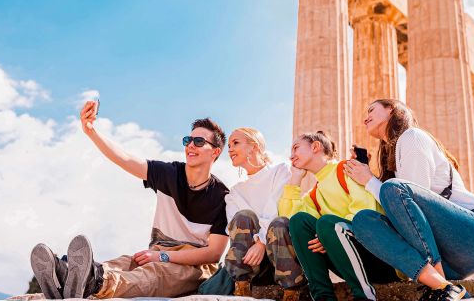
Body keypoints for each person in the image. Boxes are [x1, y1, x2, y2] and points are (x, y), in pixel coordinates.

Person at [30, 100, 229, 299]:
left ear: (215, 152)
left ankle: (93, 282)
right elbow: (124, 158)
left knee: (151, 275)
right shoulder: (168, 173)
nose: (191, 146)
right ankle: (67, 275)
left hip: (193, 268)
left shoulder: (222, 197)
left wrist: (163, 256)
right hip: (157, 253)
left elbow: (213, 254)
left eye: (199, 142)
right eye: (188, 140)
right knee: (124, 263)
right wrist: (91, 131)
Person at [344, 99, 474, 301]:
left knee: (392, 189)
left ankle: (439, 282)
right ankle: (443, 286)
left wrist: (370, 180)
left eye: (371, 109)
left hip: (471, 241)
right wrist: (365, 177)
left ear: (392, 110)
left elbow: (409, 195)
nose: (365, 117)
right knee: (363, 221)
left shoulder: (412, 137)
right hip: (448, 260)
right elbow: (403, 215)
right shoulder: (394, 157)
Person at [279, 131, 399, 301]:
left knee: (327, 224)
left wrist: (327, 234)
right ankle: (322, 296)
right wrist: (295, 179)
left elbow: (365, 213)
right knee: (300, 221)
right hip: (349, 260)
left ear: (315, 146)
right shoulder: (314, 194)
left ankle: (364, 296)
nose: (291, 156)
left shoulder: (348, 168)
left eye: (296, 148)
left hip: (382, 257)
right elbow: (289, 220)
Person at [223, 128, 305, 300]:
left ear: (254, 147)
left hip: (284, 259)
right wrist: (255, 237)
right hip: (253, 266)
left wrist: (260, 242)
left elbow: (276, 207)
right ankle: (242, 287)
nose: (229, 149)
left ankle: (292, 292)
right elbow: (232, 226)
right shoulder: (235, 192)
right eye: (229, 145)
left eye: (235, 143)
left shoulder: (281, 171)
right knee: (243, 216)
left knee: (280, 222)